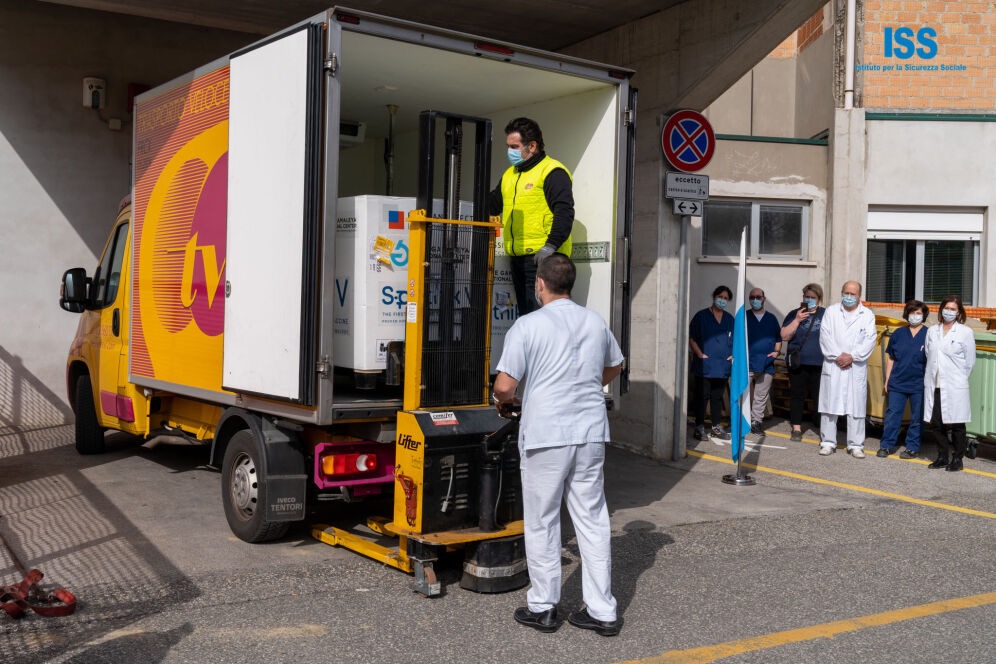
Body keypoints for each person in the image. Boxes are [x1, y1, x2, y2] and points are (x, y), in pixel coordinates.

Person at [493, 253, 624, 637]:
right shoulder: (594, 321)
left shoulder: (528, 325)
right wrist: (584, 381)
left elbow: (504, 385)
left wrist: (505, 401)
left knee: (543, 519)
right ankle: (602, 611)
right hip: (589, 431)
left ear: (539, 283)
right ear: (572, 284)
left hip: (546, 433)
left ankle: (544, 606)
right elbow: (616, 365)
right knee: (592, 518)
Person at [488, 117, 574, 317]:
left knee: (544, 316)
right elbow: (493, 206)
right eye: (508, 146)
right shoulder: (510, 174)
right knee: (528, 316)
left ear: (532, 146)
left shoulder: (552, 171)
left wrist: (550, 246)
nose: (510, 151)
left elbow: (564, 211)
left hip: (544, 258)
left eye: (514, 146)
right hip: (518, 258)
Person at [816, 280, 878, 458]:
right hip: (834, 365)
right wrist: (838, 356)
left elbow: (870, 340)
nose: (849, 297)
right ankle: (827, 442)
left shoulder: (867, 315)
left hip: (855, 366)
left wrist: (852, 356)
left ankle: (856, 444)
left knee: (856, 407)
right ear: (841, 293)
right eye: (846, 293)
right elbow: (825, 336)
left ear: (859, 296)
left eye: (853, 294)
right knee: (829, 406)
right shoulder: (831, 311)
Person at [923, 295, 976, 472]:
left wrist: (959, 378)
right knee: (937, 422)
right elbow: (928, 354)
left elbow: (970, 362)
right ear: (941, 310)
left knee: (957, 423)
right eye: (947, 308)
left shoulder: (965, 332)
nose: (949, 312)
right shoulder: (932, 331)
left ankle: (958, 458)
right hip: (935, 383)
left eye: (953, 309)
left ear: (959, 312)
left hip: (955, 384)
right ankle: (942, 456)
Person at [877, 300, 929, 459]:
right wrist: (887, 380)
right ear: (907, 314)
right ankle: (886, 445)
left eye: (919, 313)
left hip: (919, 383)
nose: (915, 316)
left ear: (924, 315)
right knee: (893, 415)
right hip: (898, 382)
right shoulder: (898, 334)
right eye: (912, 312)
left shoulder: (929, 334)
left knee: (916, 418)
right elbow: (891, 358)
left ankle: (912, 447)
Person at [780, 284, 826, 441]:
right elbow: (784, 336)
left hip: (819, 363)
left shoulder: (825, 314)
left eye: (813, 298)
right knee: (797, 395)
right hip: (798, 362)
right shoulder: (794, 314)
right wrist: (797, 320)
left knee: (819, 396)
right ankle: (796, 428)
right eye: (807, 297)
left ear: (819, 299)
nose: (809, 300)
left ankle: (822, 427)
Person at [689, 286, 734, 442]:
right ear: (714, 296)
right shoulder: (701, 316)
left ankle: (716, 426)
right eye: (720, 296)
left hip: (722, 365)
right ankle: (699, 427)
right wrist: (700, 354)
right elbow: (692, 338)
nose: (722, 300)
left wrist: (732, 356)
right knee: (702, 397)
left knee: (717, 397)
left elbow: (735, 340)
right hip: (705, 365)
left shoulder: (729, 319)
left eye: (726, 298)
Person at [745, 288, 781, 435]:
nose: (755, 299)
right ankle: (741, 421)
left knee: (761, 396)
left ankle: (756, 423)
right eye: (752, 297)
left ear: (764, 299)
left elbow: (778, 338)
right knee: (743, 393)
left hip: (766, 363)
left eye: (758, 297)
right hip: (747, 363)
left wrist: (776, 352)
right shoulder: (744, 317)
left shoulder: (771, 318)